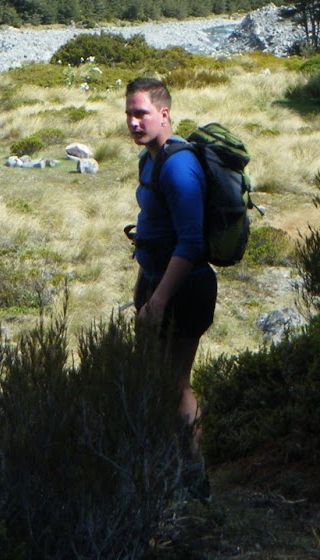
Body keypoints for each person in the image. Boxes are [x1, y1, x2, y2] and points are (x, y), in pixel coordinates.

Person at [125, 74, 216, 500]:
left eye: (141, 113)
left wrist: (158, 300)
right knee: (156, 378)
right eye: (129, 114)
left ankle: (195, 479)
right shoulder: (151, 159)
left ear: (164, 114)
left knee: (176, 383)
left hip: (183, 290)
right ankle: (166, 467)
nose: (133, 122)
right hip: (156, 283)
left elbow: (192, 243)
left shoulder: (179, 165)